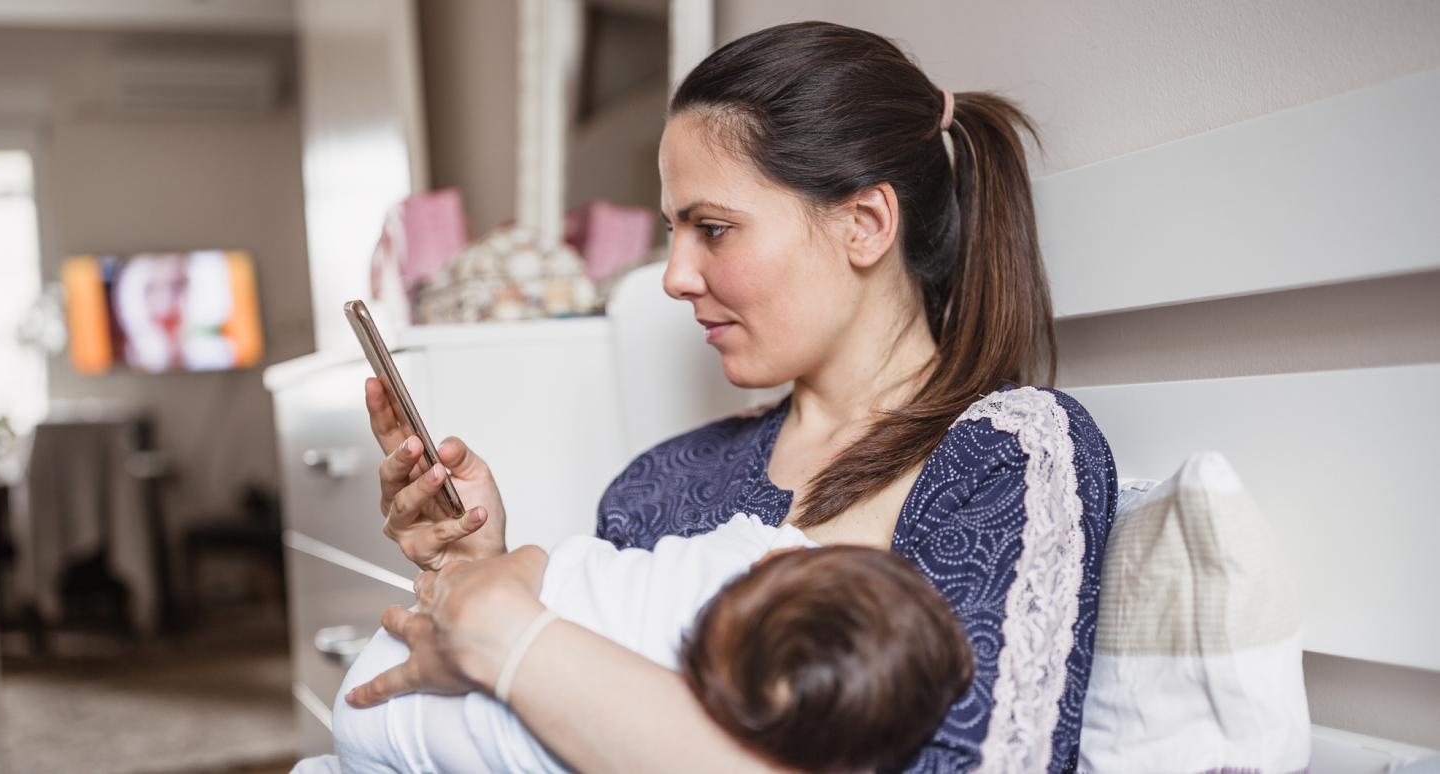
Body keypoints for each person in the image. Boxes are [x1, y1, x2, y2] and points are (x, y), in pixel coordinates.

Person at [349, 20, 1117, 774]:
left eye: (713, 228)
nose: (674, 276)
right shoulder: (661, 483)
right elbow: (559, 728)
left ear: (865, 223)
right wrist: (484, 574)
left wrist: (511, 638)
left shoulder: (1003, 456)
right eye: (672, 231)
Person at [326, 517, 974, 774]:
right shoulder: (746, 551)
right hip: (398, 697)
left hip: (387, 715)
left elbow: (537, 568)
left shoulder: (770, 551)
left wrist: (502, 595)